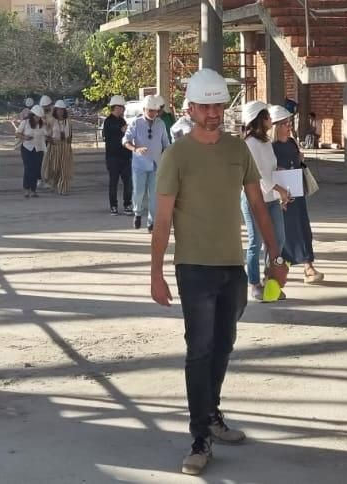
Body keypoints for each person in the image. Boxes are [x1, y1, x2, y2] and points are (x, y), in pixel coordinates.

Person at [150, 69, 286, 476]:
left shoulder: (237, 150)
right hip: (193, 267)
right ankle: (199, 439)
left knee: (224, 344)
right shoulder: (177, 155)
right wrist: (155, 272)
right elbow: (163, 219)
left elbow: (258, 204)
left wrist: (277, 256)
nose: (212, 113)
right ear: (190, 109)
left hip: (231, 266)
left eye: (218, 106)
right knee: (199, 349)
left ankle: (211, 414)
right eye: (204, 106)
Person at [240, 100, 292, 301]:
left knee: (278, 240)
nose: (271, 120)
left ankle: (271, 281)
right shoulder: (250, 144)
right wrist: (279, 189)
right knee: (256, 241)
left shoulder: (266, 142)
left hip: (270, 198)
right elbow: (259, 175)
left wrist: (281, 176)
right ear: (259, 119)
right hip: (254, 199)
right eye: (268, 116)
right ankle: (254, 284)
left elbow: (270, 169)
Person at [271, 103, 324, 284]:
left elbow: (296, 160)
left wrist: (300, 158)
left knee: (303, 228)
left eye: (289, 123)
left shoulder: (292, 142)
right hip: (280, 196)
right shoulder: (270, 147)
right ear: (276, 126)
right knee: (284, 232)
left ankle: (308, 265)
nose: (289, 126)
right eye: (285, 123)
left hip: (297, 192)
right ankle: (280, 267)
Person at [127, 94, 172, 231]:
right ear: (144, 109)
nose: (153, 113)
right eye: (150, 110)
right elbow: (125, 140)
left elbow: (166, 143)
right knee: (138, 192)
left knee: (154, 195)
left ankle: (152, 222)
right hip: (139, 164)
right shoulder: (136, 123)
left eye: (155, 111)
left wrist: (167, 156)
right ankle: (137, 213)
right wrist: (135, 149)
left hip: (156, 164)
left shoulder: (161, 123)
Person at [102, 95, 132, 215]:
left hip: (125, 156)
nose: (123, 109)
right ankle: (113, 206)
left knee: (128, 183)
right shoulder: (108, 121)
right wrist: (120, 130)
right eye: (121, 107)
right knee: (113, 183)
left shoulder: (122, 121)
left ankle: (127, 204)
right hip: (113, 157)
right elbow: (108, 135)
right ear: (115, 107)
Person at [45, 101, 76, 195]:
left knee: (64, 168)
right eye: (58, 110)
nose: (60, 111)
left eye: (62, 110)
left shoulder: (68, 121)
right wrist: (51, 141)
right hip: (54, 146)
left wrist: (69, 142)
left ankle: (63, 188)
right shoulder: (51, 120)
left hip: (65, 146)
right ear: (55, 110)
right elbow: (46, 135)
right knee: (54, 168)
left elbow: (70, 133)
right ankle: (54, 184)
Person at [18, 103, 47, 198]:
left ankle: (33, 190)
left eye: (39, 117)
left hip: (38, 148)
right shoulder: (25, 122)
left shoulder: (42, 124)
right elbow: (17, 133)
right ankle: (26, 189)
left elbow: (46, 134)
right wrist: (25, 137)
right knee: (28, 168)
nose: (37, 119)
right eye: (36, 116)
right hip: (27, 148)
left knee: (36, 169)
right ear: (32, 115)